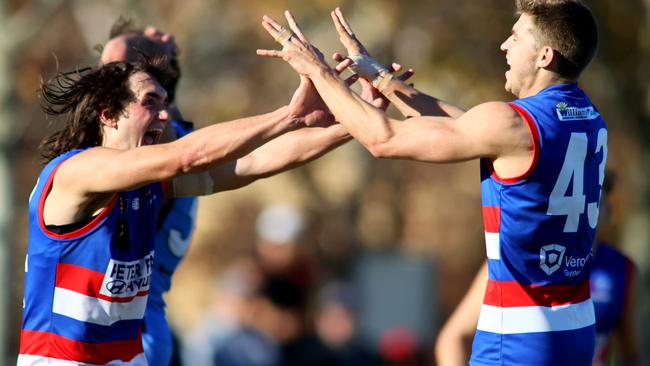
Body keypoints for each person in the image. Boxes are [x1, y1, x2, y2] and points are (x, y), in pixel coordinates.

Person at [257, 1, 606, 365]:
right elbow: (466, 129)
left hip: (519, 337)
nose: (505, 45)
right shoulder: (589, 118)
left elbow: (383, 139)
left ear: (544, 56)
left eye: (516, 37)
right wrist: (381, 78)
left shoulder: (513, 124)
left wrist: (317, 71)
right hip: (577, 329)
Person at [18, 25, 363, 365]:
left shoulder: (148, 184)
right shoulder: (76, 173)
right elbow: (187, 156)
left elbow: (257, 162)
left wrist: (356, 118)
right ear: (107, 114)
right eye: (150, 102)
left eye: (165, 102)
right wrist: (289, 115)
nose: (165, 114)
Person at [434, 174, 642, 366]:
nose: (588, 210)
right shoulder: (516, 260)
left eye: (598, 203)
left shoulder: (621, 269)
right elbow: (452, 338)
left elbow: (632, 353)